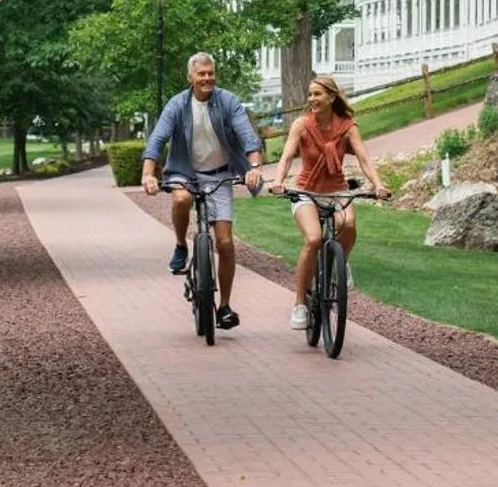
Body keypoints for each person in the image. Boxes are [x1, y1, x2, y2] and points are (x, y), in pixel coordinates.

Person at [141, 52, 265, 330]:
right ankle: (182, 246)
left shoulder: (228, 101)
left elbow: (247, 136)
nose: (207, 78)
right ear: (191, 78)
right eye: (202, 74)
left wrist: (253, 166)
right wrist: (148, 173)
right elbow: (157, 139)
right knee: (182, 198)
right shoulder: (177, 104)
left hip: (220, 173)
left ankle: (224, 306)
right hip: (185, 172)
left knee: (225, 243)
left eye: (211, 73)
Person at [270, 73, 389, 329]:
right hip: (307, 191)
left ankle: (340, 262)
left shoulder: (347, 126)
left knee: (348, 225)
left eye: (318, 94)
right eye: (310, 94)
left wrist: (378, 184)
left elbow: (364, 158)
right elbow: (288, 155)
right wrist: (279, 181)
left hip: (336, 190)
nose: (312, 98)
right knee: (313, 239)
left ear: (332, 97)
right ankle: (300, 303)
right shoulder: (302, 125)